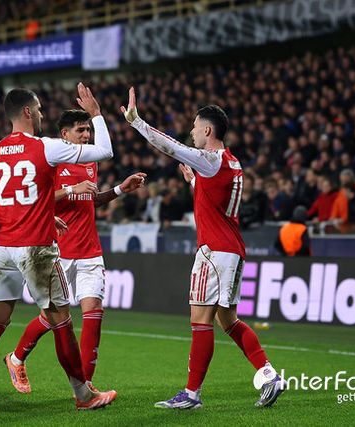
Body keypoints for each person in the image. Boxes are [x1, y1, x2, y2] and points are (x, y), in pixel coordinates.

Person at [121, 87, 284, 409]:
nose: (192, 132)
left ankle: (192, 394)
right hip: (232, 250)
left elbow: (170, 146)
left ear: (208, 131)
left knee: (200, 320)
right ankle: (269, 376)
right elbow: (217, 200)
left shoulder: (210, 160)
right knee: (228, 321)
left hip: (214, 252)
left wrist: (136, 121)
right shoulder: (231, 162)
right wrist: (194, 183)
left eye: (195, 127)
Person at [0, 84, 117, 412]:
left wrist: (46, 213)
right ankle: (84, 396)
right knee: (62, 321)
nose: (43, 114)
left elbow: (15, 196)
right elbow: (104, 151)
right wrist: (96, 114)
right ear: (27, 111)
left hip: (2, 247)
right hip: (36, 249)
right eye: (40, 109)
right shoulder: (46, 147)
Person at [4, 109, 146, 394]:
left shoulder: (90, 163)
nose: (86, 135)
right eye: (80, 130)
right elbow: (37, 199)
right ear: (64, 134)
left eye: (88, 130)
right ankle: (16, 359)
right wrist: (70, 190)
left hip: (90, 251)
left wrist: (120, 190)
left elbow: (89, 200)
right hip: (58, 252)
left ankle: (86, 385)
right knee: (51, 318)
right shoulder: (51, 162)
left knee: (93, 312)